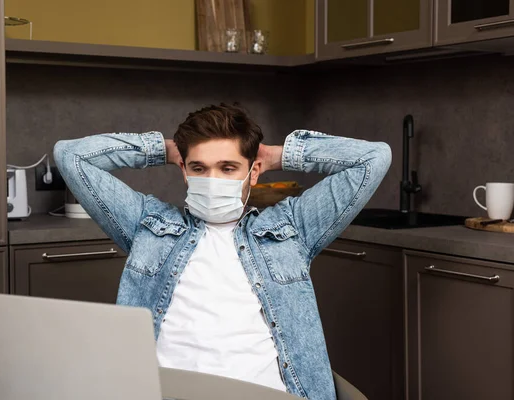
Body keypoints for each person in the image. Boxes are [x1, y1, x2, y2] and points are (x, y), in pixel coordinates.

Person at [54, 103, 391, 400]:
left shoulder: (292, 229)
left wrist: (277, 154)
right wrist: (167, 150)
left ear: (253, 172)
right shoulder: (147, 226)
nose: (212, 178)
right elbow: (70, 155)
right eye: (199, 168)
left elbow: (373, 159)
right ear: (184, 172)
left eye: (228, 168)